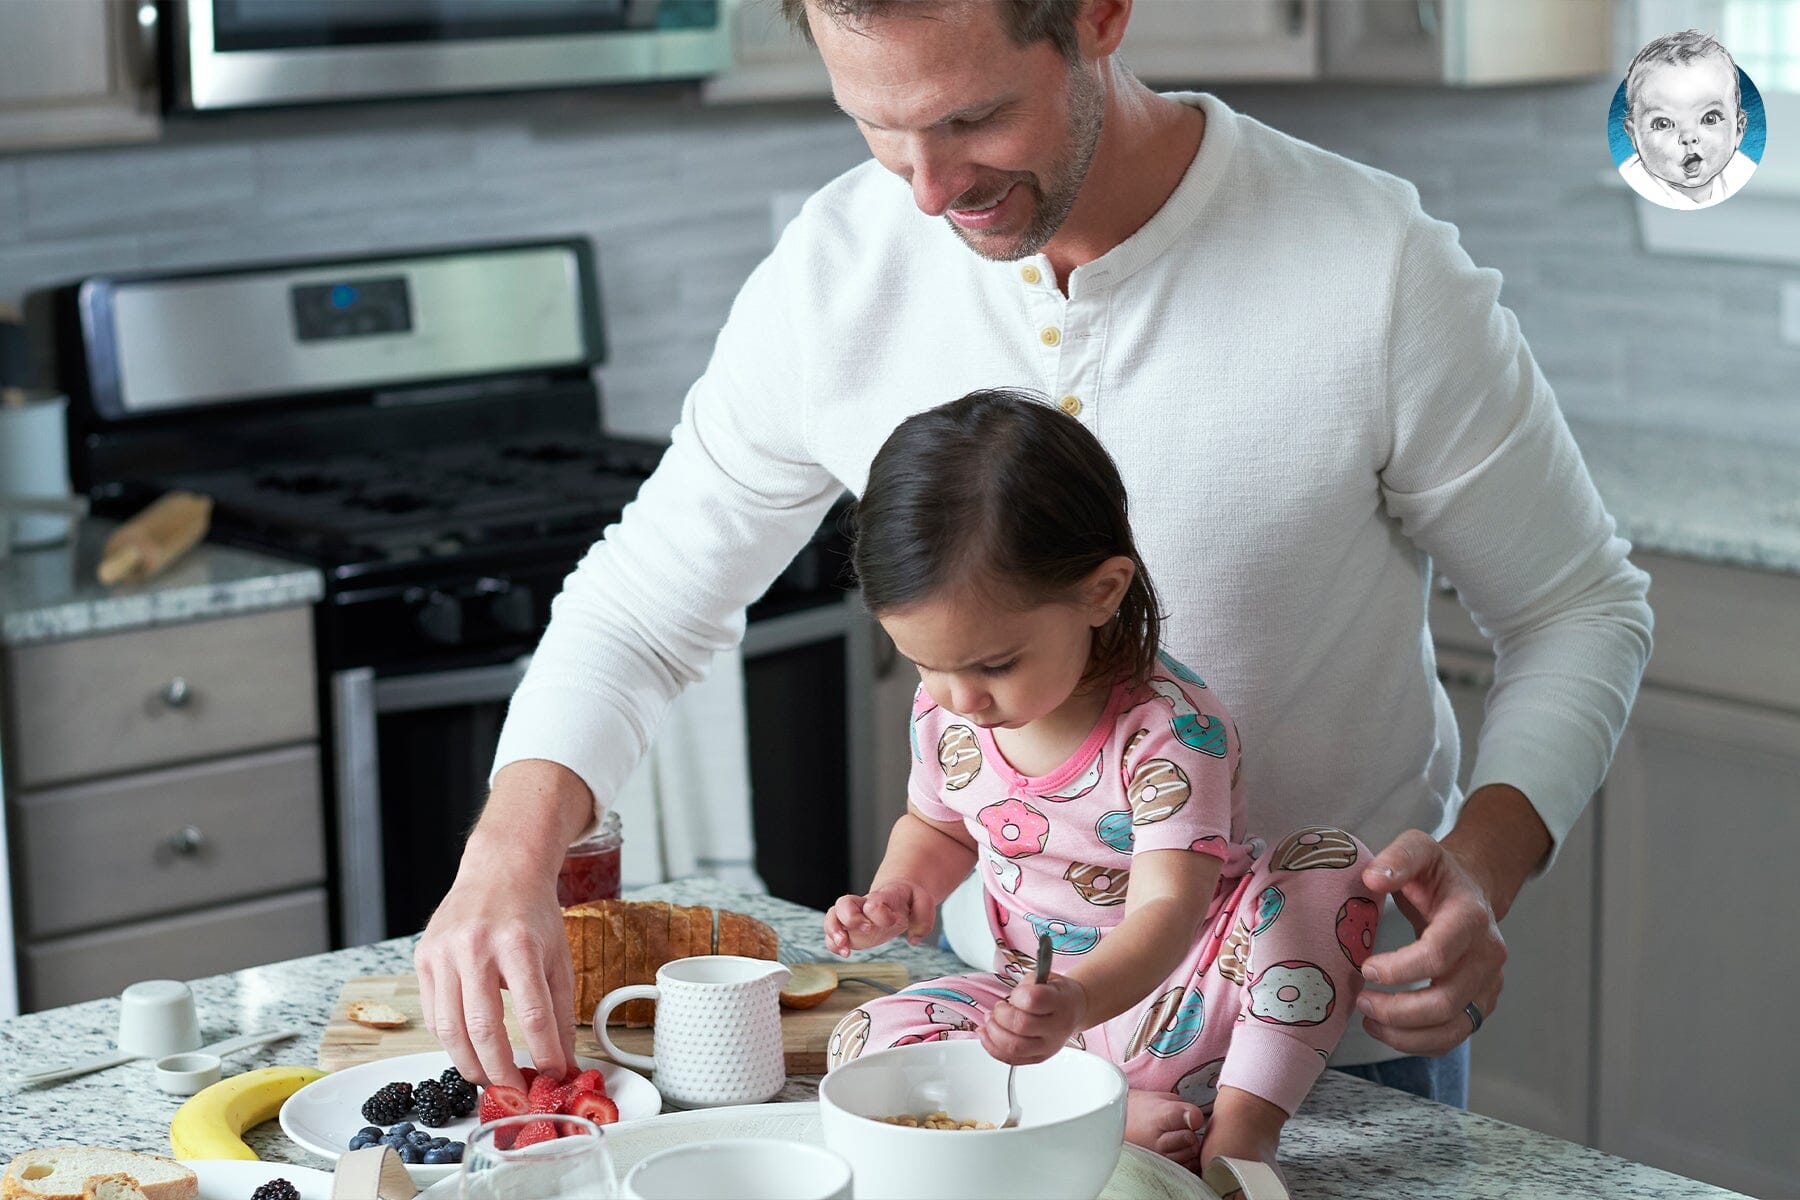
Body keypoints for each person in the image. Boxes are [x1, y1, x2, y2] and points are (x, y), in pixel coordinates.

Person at [416, 0, 1653, 1128]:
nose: (928, 190)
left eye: (974, 119)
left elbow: (1579, 609)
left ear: (1101, 18)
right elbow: (642, 604)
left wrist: (1482, 871)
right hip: (1000, 1029)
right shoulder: (836, 272)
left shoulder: (1369, 263)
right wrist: (506, 856)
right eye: (876, 128)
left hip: (1328, 1049)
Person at [823, 388, 1377, 1178]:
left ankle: (1244, 1131)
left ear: (1102, 591)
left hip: (1180, 999)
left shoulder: (1169, 731)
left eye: (993, 665)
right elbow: (939, 827)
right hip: (1034, 1011)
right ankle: (1100, 1108)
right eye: (925, 662)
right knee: (862, 1036)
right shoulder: (944, 711)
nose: (959, 698)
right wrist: (899, 891)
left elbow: (1168, 910)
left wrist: (1080, 1004)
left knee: (1331, 864)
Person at [1618, 28, 1756, 210]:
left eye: (1709, 118)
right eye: (1663, 123)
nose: (1688, 137)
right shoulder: (1635, 184)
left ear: (1738, 130)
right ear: (1634, 135)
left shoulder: (1742, 171)